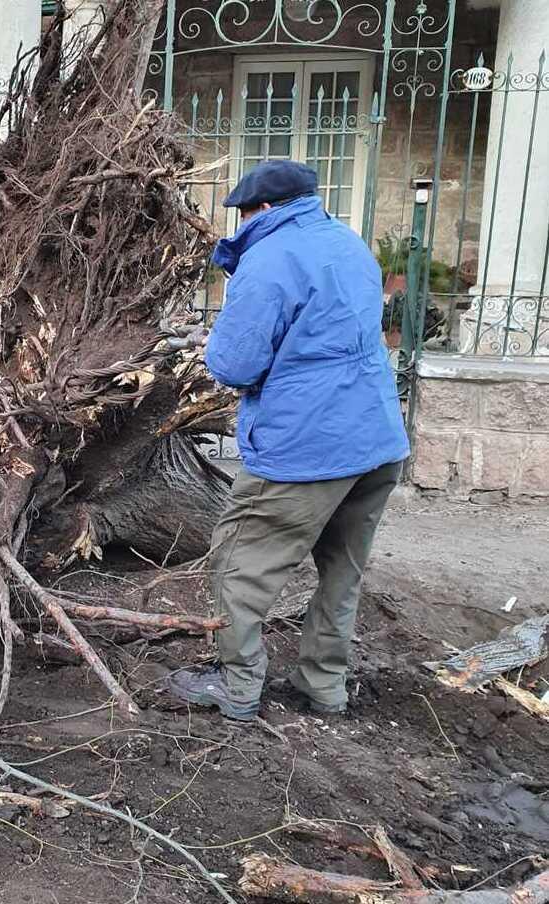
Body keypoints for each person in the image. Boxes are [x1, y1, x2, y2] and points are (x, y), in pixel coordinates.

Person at [168, 160, 409, 721]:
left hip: (308, 445)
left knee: (238, 562)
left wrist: (210, 343)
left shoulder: (269, 259)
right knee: (342, 572)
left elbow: (234, 363)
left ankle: (237, 686)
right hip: (374, 439)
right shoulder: (349, 245)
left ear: (267, 209)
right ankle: (323, 686)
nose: (239, 223)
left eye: (244, 212)